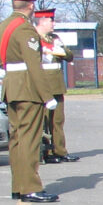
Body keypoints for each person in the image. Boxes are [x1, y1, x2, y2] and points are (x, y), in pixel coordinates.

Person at [0, 0, 58, 202]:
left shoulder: (1, 27)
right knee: (29, 140)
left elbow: (0, 59)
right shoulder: (25, 29)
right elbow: (34, 65)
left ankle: (18, 185)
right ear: (31, 5)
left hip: (11, 86)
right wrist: (47, 96)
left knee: (17, 140)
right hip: (28, 89)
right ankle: (30, 187)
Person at [31, 9, 78, 163]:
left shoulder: (55, 38)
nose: (54, 24)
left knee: (57, 120)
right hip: (42, 84)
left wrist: (60, 50)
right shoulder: (33, 38)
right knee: (43, 120)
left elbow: (70, 55)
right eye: (51, 21)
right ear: (42, 21)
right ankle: (45, 153)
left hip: (56, 84)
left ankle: (60, 150)